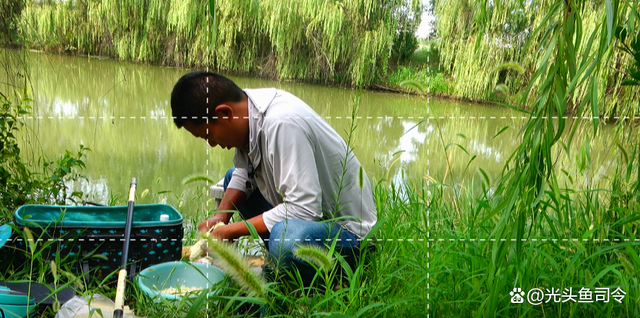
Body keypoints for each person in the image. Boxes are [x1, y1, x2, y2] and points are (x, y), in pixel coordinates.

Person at [170, 71, 377, 281]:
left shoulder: (281, 123)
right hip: (313, 221)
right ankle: (284, 263)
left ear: (224, 113)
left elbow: (305, 209)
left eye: (208, 135)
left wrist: (233, 231)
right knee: (231, 178)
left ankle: (291, 266)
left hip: (349, 237)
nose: (211, 144)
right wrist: (221, 215)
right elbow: (244, 172)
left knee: (286, 240)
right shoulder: (246, 110)